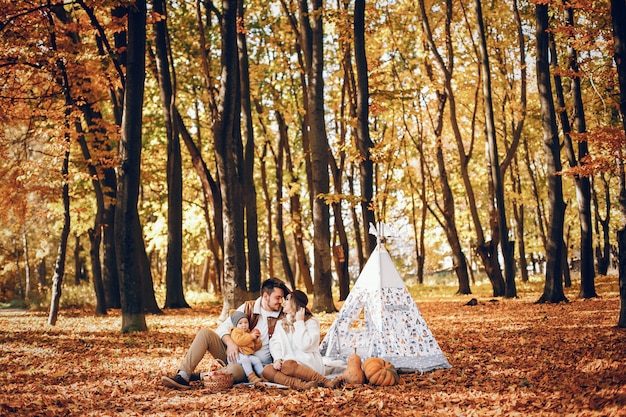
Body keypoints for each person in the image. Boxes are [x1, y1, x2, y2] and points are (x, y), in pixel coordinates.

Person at [162, 277, 290, 390]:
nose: (281, 302)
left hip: (254, 366)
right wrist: (230, 344)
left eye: (282, 298)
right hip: (234, 355)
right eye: (278, 298)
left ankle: (200, 376)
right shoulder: (248, 307)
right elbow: (222, 328)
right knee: (205, 333)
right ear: (266, 296)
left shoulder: (282, 316)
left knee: (233, 371)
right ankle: (183, 375)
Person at [261, 290, 341, 390]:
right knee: (266, 370)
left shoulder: (311, 321)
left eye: (287, 299)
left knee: (288, 365)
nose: (283, 302)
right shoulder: (281, 323)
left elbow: (305, 346)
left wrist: (299, 322)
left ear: (295, 303)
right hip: (287, 365)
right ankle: (302, 386)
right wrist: (277, 358)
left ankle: (326, 382)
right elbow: (275, 343)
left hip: (308, 363)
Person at [228, 310, 264, 383]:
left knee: (256, 360)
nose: (244, 325)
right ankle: (251, 377)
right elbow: (239, 341)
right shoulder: (235, 331)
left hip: (246, 355)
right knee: (245, 360)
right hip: (236, 356)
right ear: (236, 325)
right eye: (240, 323)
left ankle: (262, 374)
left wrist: (257, 342)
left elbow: (254, 348)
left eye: (246, 322)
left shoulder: (248, 333)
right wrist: (251, 337)